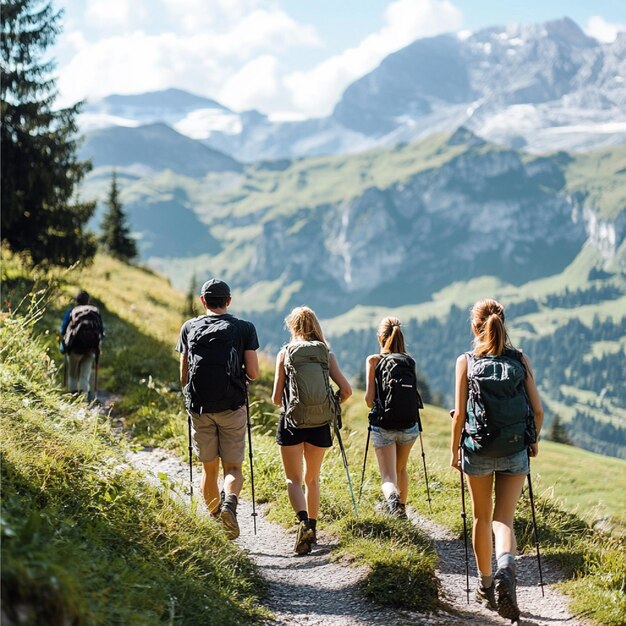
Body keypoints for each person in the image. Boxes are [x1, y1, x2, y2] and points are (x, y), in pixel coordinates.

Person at [450, 298, 543, 621]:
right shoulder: (520, 359)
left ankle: (486, 586)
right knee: (504, 519)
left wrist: (453, 451)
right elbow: (539, 409)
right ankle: (507, 568)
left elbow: (460, 414)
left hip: (477, 450)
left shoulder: (467, 361)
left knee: (481, 517)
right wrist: (532, 441)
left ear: (474, 327)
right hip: (515, 448)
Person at [177, 279, 259, 540]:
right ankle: (229, 506)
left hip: (200, 408)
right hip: (232, 406)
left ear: (203, 301)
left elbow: (183, 376)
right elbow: (254, 373)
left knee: (209, 470)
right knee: (233, 468)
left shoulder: (189, 327)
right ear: (229, 301)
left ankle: (217, 526)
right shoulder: (244, 328)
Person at [272, 306, 352, 555]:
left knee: (293, 480)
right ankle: (314, 530)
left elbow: (276, 398)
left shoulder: (285, 353)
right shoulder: (326, 354)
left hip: (292, 423)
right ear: (316, 326)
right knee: (312, 479)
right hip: (319, 425)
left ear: (293, 327)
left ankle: (304, 523)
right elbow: (347, 390)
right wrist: (330, 406)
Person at [364, 317, 422, 519]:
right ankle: (402, 512)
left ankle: (392, 502)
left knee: (388, 477)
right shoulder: (409, 361)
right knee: (402, 469)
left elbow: (369, 400)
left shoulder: (373, 361)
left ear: (380, 337)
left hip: (384, 426)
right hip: (409, 426)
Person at [60, 290, 104, 400]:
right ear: (88, 301)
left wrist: (63, 347)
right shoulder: (94, 312)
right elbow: (101, 332)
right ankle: (83, 402)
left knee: (73, 375)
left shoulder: (72, 311)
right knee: (85, 376)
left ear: (77, 301)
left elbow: (63, 331)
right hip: (91, 349)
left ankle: (73, 399)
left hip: (75, 348)